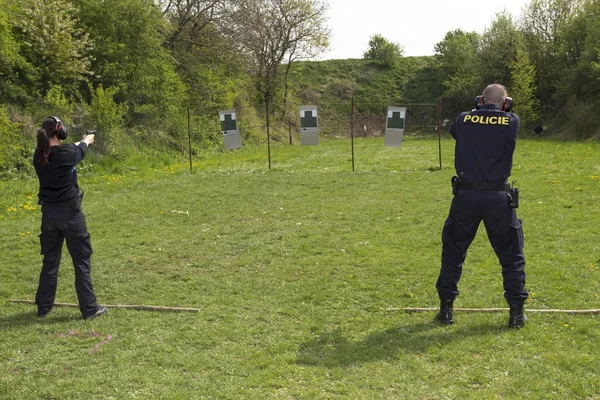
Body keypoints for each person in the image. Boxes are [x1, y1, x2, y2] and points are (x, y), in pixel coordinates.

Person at [435, 84, 528, 328]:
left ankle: (446, 310)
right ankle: (516, 314)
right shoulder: (512, 121)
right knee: (511, 255)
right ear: (506, 102)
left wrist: (477, 112)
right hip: (498, 197)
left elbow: (458, 130)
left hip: (465, 195)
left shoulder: (463, 119)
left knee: (453, 252)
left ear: (480, 100)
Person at [33, 116, 107, 320]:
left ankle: (43, 307)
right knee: (81, 260)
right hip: (70, 214)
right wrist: (87, 140)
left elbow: (69, 150)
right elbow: (80, 149)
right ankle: (90, 308)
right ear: (60, 133)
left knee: (50, 261)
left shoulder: (38, 155)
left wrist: (82, 140)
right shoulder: (66, 153)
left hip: (49, 214)